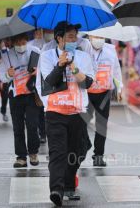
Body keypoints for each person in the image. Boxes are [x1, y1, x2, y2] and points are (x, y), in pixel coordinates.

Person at [37, 21, 94, 206]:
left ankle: (69, 183)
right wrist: (60, 65)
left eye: (75, 36)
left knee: (77, 151)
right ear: (58, 38)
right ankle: (57, 190)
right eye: (69, 36)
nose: (74, 39)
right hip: (55, 112)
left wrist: (74, 68)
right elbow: (49, 82)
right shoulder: (46, 56)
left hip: (77, 112)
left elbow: (88, 84)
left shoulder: (84, 57)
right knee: (58, 153)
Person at [0, 33, 41, 168]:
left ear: (26, 40)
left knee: (32, 125)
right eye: (17, 42)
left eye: (23, 41)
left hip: (31, 94)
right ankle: (21, 157)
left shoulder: (35, 51)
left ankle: (33, 153)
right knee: (18, 127)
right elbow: (2, 77)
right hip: (15, 95)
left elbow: (45, 69)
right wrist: (8, 74)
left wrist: (37, 72)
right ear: (12, 42)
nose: (20, 45)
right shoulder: (6, 56)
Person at [86, 35, 123, 167]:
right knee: (81, 122)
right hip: (86, 92)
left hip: (104, 92)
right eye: (96, 36)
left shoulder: (110, 49)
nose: (99, 39)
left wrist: (119, 88)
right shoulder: (83, 47)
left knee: (102, 125)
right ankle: (84, 144)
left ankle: (99, 155)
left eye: (101, 36)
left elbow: (116, 70)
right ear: (90, 36)